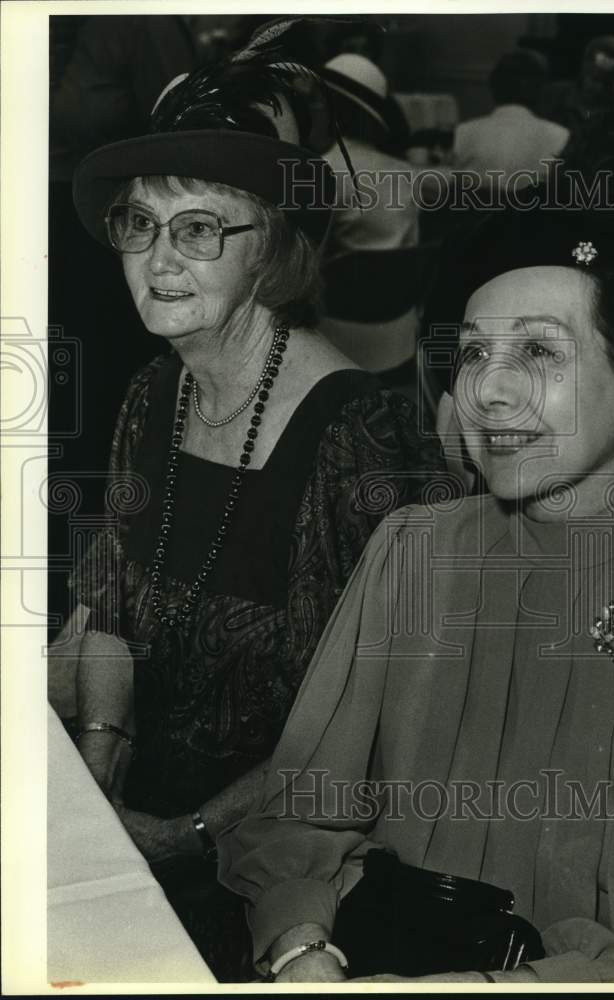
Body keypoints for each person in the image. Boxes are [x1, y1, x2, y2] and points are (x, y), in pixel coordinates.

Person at [217, 197, 614, 983]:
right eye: (475, 353)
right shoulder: (413, 552)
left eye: (539, 353)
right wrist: (301, 947)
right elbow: (296, 816)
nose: (491, 391)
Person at [63, 22, 448, 982]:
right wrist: (106, 749)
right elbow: (110, 602)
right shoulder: (155, 390)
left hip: (293, 868)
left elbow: (396, 718)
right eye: (139, 225)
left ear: (269, 248)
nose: (158, 260)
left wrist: (185, 835)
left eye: (198, 229)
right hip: (135, 808)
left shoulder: (367, 438)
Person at [319, 53, 420, 257]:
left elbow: (312, 259)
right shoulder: (405, 171)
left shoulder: (326, 171)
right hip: (409, 286)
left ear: (334, 110)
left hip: (348, 285)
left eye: (319, 102)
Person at [452, 49, 569, 194]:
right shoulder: (560, 135)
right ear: (540, 90)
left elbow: (453, 189)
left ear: (493, 87)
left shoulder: (465, 131)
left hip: (473, 214)